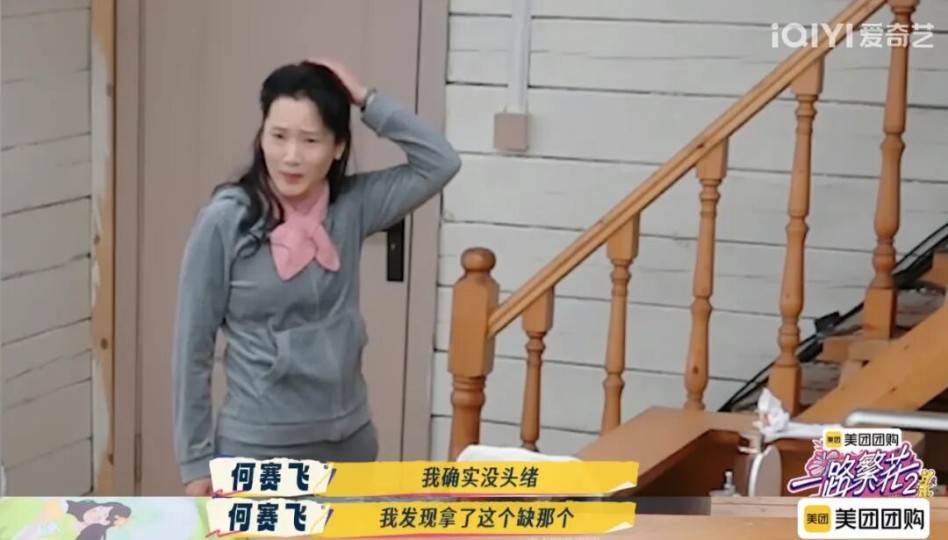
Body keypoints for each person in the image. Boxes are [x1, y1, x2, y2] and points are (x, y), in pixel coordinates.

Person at [172, 58, 462, 496]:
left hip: (350, 445)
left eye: (310, 140)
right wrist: (195, 462)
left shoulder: (353, 206)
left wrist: (367, 99)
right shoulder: (225, 221)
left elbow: (440, 162)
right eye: (278, 136)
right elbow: (192, 346)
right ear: (262, 137)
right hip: (258, 450)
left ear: (338, 146)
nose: (291, 156)